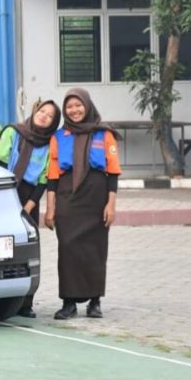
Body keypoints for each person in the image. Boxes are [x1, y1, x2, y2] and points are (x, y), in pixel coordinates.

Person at [44, 88, 121, 320]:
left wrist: (111, 205)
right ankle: (68, 302)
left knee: (95, 249)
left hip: (96, 196)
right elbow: (53, 175)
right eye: (69, 106)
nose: (74, 110)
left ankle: (95, 301)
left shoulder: (104, 134)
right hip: (68, 197)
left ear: (87, 106)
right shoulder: (58, 137)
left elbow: (113, 172)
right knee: (67, 248)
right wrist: (50, 208)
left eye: (78, 105)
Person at [0, 99, 61, 318]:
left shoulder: (51, 143)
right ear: (35, 111)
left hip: (29, 199)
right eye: (42, 111)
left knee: (27, 250)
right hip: (4, 192)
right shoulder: (14, 132)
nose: (44, 116)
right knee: (0, 249)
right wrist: (5, 199)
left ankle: (25, 303)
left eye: (50, 116)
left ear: (54, 122)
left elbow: (45, 179)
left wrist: (27, 207)